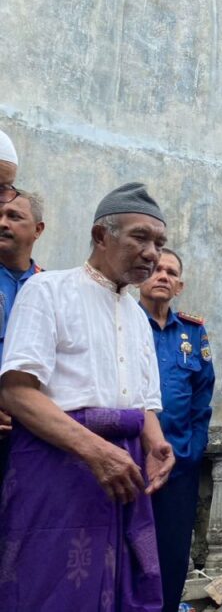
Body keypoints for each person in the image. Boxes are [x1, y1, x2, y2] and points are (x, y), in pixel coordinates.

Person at [0, 182, 174, 611]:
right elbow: (17, 393)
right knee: (50, 589)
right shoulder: (47, 291)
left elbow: (143, 404)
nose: (152, 253)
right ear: (100, 236)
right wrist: (95, 451)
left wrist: (155, 445)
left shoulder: (137, 316)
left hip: (123, 471)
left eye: (159, 242)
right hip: (57, 469)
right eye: (140, 237)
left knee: (119, 592)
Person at [139, 248, 215, 612]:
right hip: (129, 462)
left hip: (179, 467)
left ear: (179, 285)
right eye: (155, 269)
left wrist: (191, 452)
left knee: (171, 557)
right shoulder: (124, 321)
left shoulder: (193, 332)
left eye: (171, 272)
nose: (162, 275)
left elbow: (202, 401)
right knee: (125, 556)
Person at [0, 190, 45, 482]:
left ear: (38, 230)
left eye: (14, 217)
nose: (3, 223)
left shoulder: (50, 289)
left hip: (31, 433)